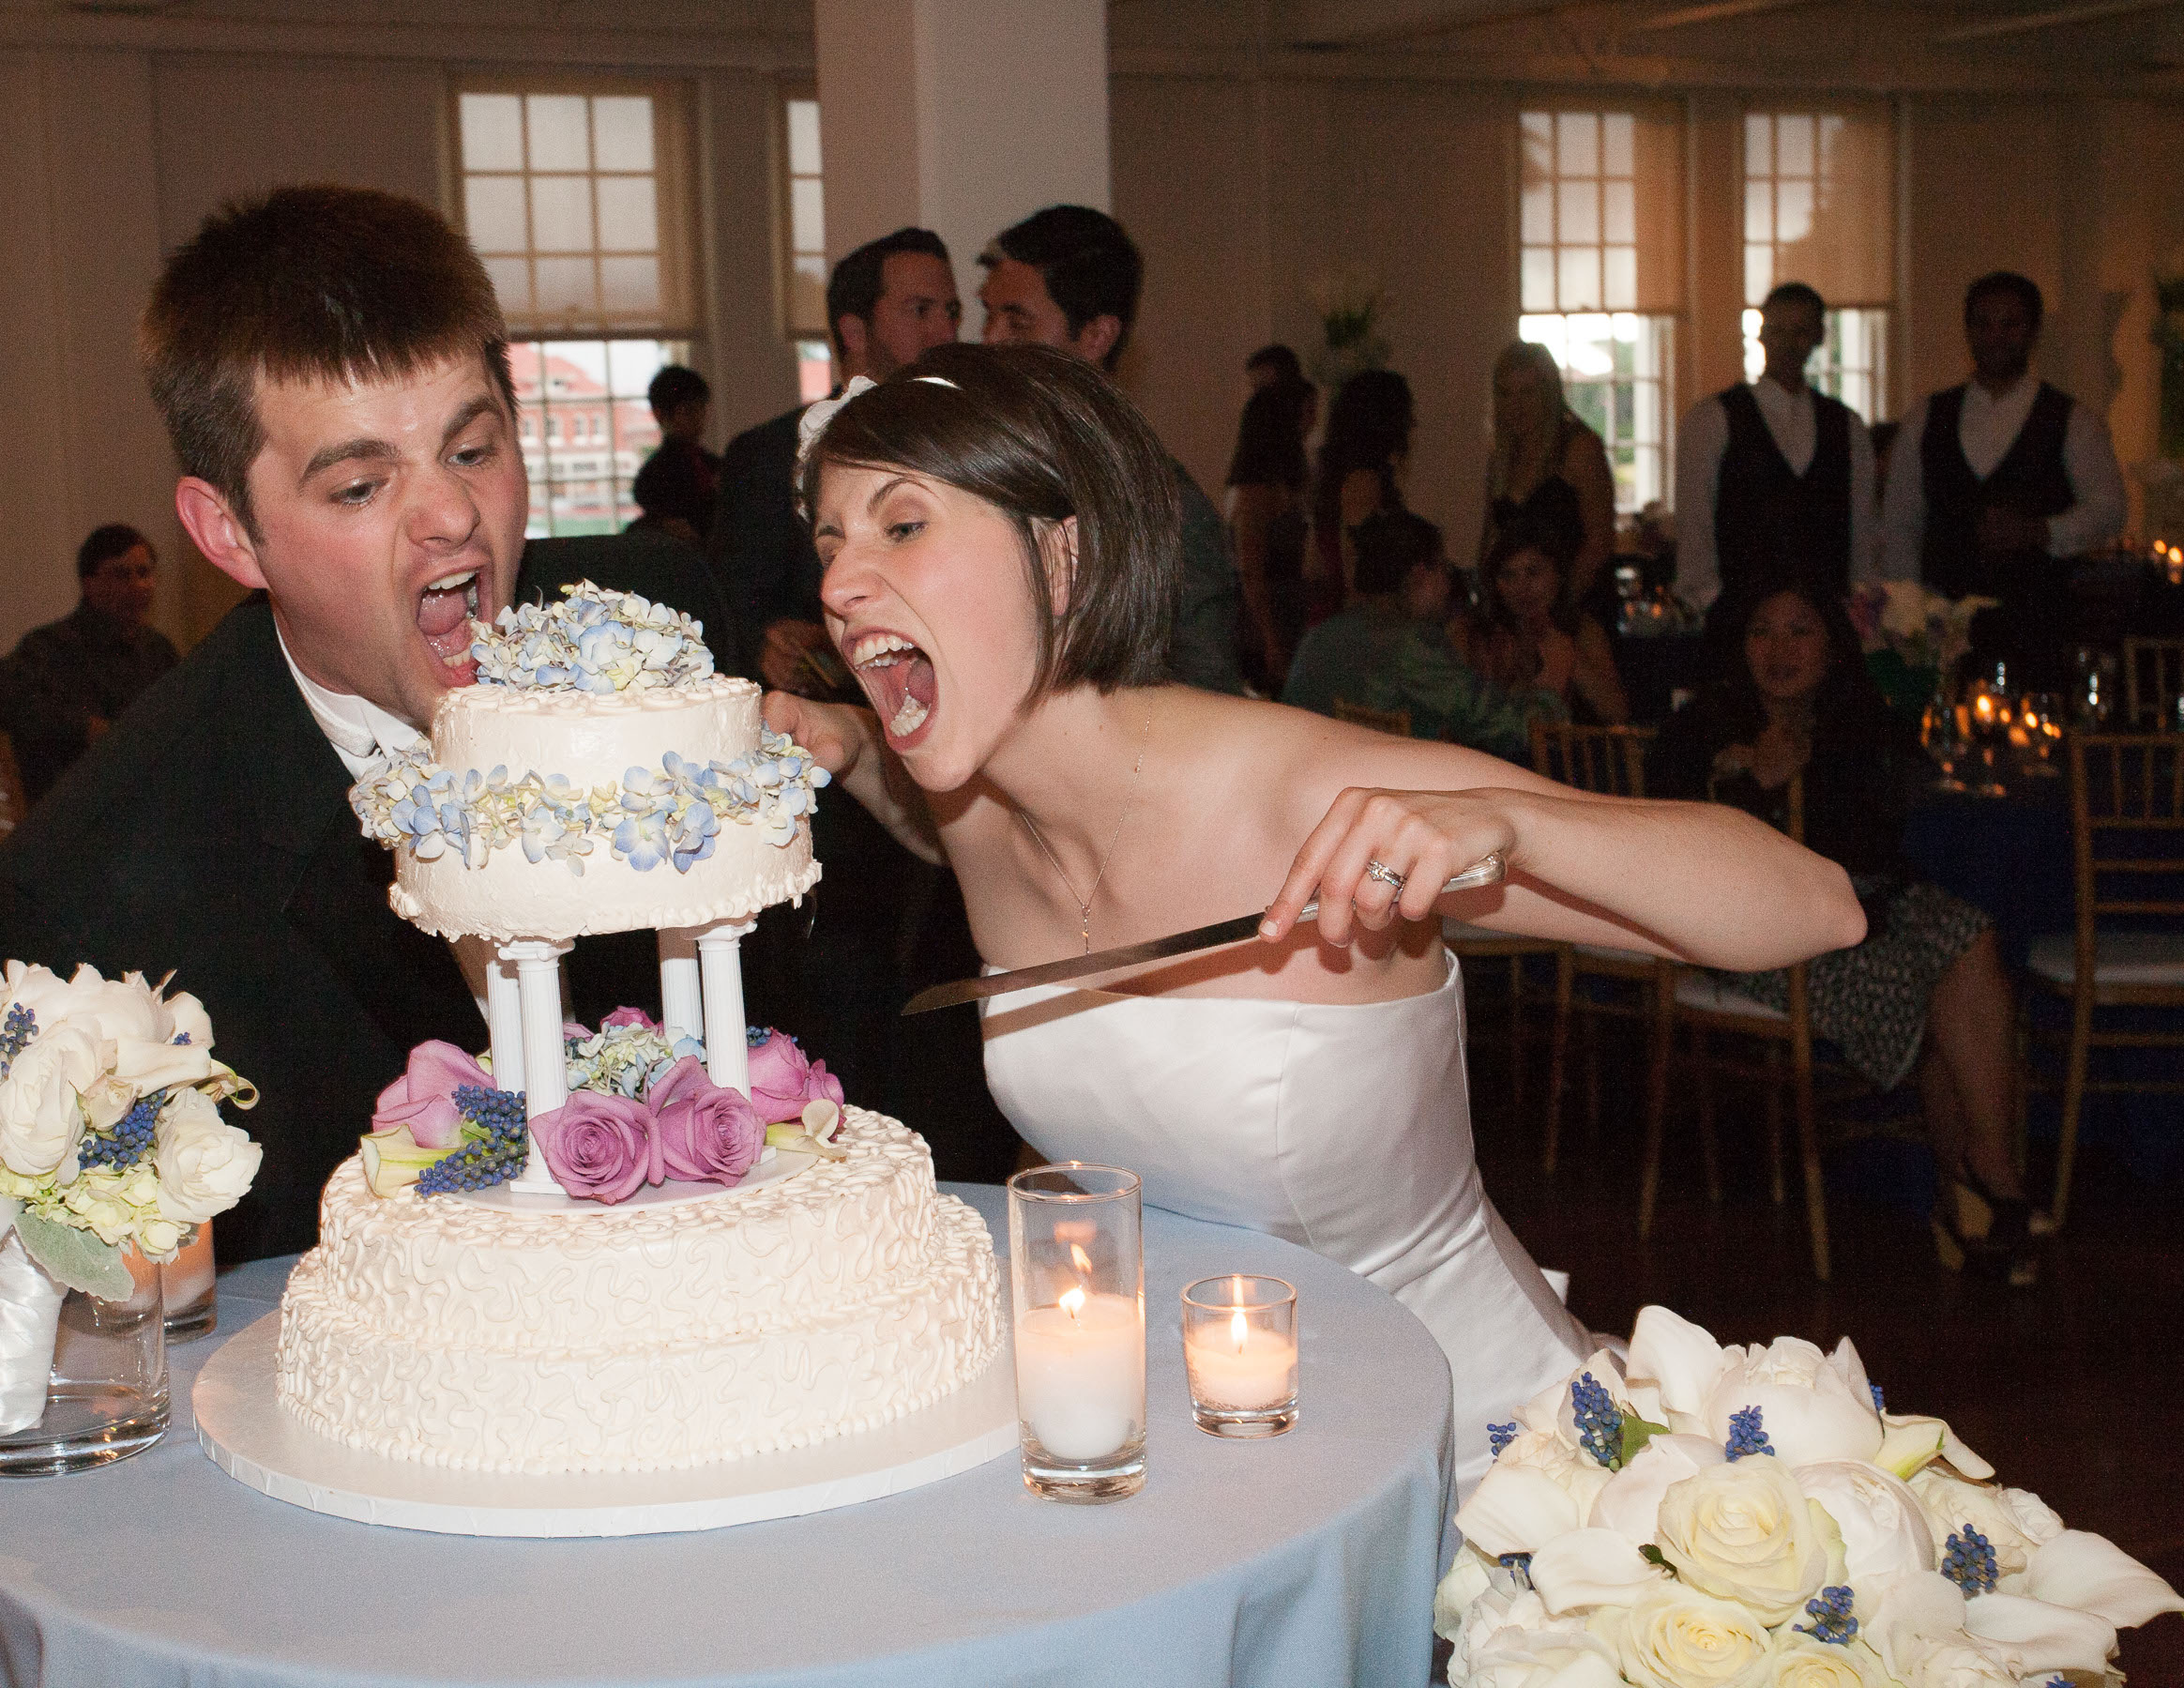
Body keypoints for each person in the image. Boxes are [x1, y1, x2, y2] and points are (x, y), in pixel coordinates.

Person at [773, 343, 1862, 1485]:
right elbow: (934, 829)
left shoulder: (1304, 803)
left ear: (1061, 553)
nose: (840, 586)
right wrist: (846, 743)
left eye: (901, 526)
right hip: (1211, 1453)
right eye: (830, 542)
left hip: (1480, 1464)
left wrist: (1512, 822)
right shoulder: (978, 808)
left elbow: (1813, 906)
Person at [0, 187, 758, 1262]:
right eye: (357, 486)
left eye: (472, 451)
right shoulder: (97, 901)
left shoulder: (669, 646)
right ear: (228, 532)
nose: (448, 517)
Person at [1652, 569, 2043, 1281]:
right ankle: (1981, 1193)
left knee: (1971, 933)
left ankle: (1985, 1174)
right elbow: (1671, 842)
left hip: (1863, 905)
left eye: (1799, 630)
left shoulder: (1859, 716)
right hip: (1755, 926)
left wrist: (1821, 767)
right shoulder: (1702, 725)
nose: (1779, 648)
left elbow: (1889, 828)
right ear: (1737, 645)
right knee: (1930, 986)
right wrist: (1753, 783)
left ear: (1832, 646)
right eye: (1761, 631)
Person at [976, 205, 1247, 694]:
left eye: (1017, 322)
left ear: (1097, 335)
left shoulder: (1164, 507)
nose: (990, 339)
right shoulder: (979, 469)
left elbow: (1205, 701)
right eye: (989, 315)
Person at [713, 227, 960, 697]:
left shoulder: (972, 450)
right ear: (855, 331)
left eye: (952, 311)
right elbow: (733, 620)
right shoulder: (769, 456)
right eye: (920, 310)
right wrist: (781, 643)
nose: (945, 331)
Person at [1880, 271, 2126, 685]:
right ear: (1968, 331)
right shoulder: (1927, 416)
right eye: (1983, 323)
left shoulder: (2072, 420)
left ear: (2032, 331)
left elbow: (2109, 508)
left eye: (2009, 324)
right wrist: (1909, 612)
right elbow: (1901, 521)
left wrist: (2042, 531)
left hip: (2038, 623)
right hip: (1945, 628)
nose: (1995, 336)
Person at [1285, 508, 1570, 759]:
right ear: (1422, 574)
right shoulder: (1412, 645)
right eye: (1444, 569)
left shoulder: (1321, 636)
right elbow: (1507, 729)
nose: (1448, 585)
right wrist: (1549, 689)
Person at [1672, 283, 1875, 616]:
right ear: (1761, 335)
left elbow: (1862, 533)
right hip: (1739, 616)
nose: (1788, 344)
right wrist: (1713, 606)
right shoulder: (1711, 420)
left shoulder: (1847, 426)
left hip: (1827, 617)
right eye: (1778, 331)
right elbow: (1696, 529)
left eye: (1800, 332)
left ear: (1819, 337)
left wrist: (1861, 606)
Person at [0, 522, 181, 802]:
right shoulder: (51, 647)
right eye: (121, 575)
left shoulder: (158, 651)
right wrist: (84, 727)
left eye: (144, 573)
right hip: (75, 813)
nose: (137, 586)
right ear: (89, 584)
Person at [1463, 503, 1630, 726]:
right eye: (1508, 575)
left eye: (1533, 572)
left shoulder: (1582, 630)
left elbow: (1617, 714)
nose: (1521, 588)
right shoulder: (1483, 634)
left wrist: (1569, 658)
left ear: (1557, 575)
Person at [1482, 342, 1615, 607]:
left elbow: (1599, 541)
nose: (1516, 406)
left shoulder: (1579, 448)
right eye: (1506, 395)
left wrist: (1560, 605)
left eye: (1528, 393)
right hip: (1518, 611)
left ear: (1549, 395)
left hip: (1577, 605)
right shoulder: (1502, 458)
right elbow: (1491, 540)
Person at [1226, 349, 1313, 692]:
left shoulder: (1276, 487)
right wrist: (1270, 640)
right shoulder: (1255, 492)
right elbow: (1251, 569)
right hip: (1265, 623)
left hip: (1284, 613)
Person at [1304, 369, 1415, 626]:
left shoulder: (1336, 480)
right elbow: (1360, 574)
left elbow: (1312, 568)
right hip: (1355, 628)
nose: (1411, 425)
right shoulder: (1363, 483)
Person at [628, 364, 716, 544]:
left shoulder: (711, 464)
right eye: (689, 411)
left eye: (701, 409)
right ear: (661, 415)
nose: (699, 419)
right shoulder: (655, 475)